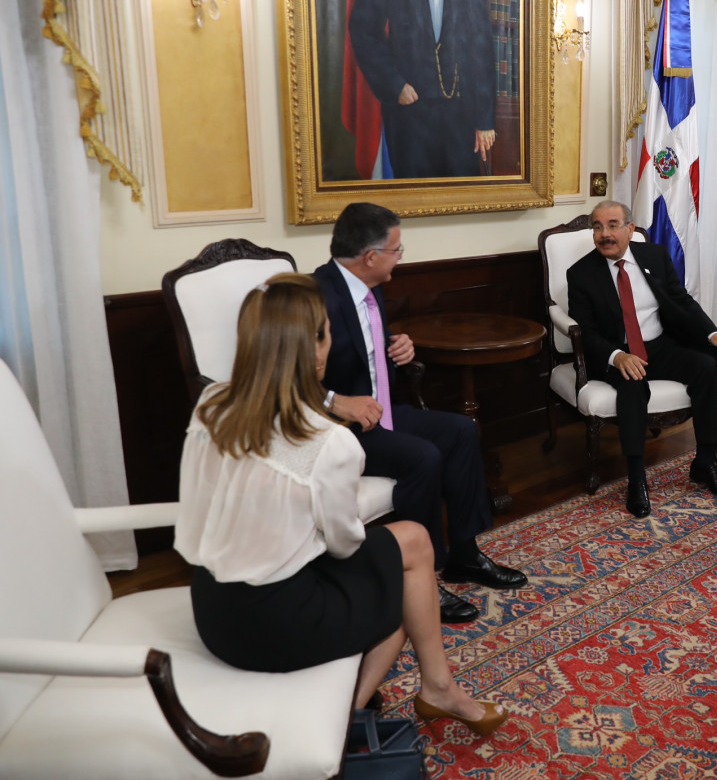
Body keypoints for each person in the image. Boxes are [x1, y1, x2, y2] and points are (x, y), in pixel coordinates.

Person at [175, 274, 507, 734]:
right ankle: (342, 719)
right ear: (315, 349)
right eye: (328, 331)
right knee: (403, 586)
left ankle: (436, 688)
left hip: (213, 609)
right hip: (276, 625)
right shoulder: (327, 441)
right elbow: (344, 544)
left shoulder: (212, 404)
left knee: (411, 541)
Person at [314, 202, 526, 625]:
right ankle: (421, 574)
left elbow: (368, 342)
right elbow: (280, 374)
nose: (400, 256)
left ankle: (464, 554)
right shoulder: (313, 297)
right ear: (370, 256)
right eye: (397, 249)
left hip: (384, 411)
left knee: (461, 430)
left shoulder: (368, 285)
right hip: (341, 429)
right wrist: (334, 401)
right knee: (423, 457)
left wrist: (398, 345)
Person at [566, 201, 717, 518]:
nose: (604, 234)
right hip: (618, 353)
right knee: (632, 384)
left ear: (630, 229)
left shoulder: (654, 256)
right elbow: (586, 331)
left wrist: (710, 331)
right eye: (597, 227)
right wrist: (617, 356)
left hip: (659, 346)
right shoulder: (581, 274)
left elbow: (681, 299)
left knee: (704, 366)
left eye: (612, 225)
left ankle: (705, 461)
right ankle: (637, 477)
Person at [348, 0, 497, 178]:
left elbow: (481, 51)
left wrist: (484, 120)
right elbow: (363, 27)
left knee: (462, 197)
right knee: (415, 198)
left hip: (460, 121)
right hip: (409, 121)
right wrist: (394, 85)